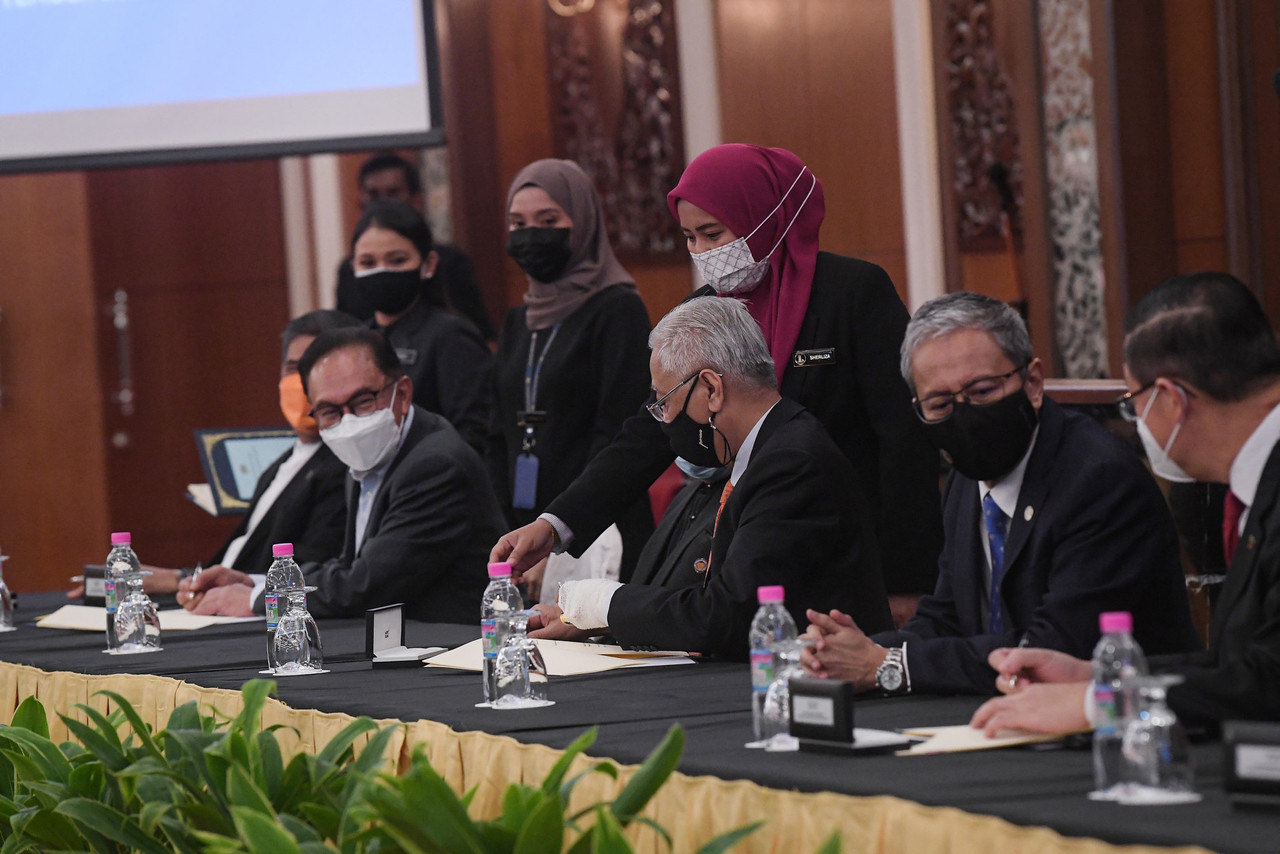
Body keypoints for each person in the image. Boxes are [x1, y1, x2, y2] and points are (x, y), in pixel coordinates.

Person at [491, 144, 944, 625]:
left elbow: (905, 444)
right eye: (689, 237)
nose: (703, 253)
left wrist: (906, 580)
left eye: (713, 233)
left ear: (764, 217)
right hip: (747, 548)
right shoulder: (705, 310)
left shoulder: (853, 293)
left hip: (851, 550)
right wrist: (554, 525)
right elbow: (648, 432)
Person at [801, 292, 1199, 695]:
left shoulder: (1099, 480)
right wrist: (854, 653)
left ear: (1033, 383)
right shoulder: (966, 479)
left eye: (983, 391)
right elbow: (946, 616)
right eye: (940, 404)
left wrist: (890, 666)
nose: (965, 415)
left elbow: (1054, 649)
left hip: (1120, 724)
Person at [972, 272, 1280, 733]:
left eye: (1133, 401)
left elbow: (1269, 686)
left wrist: (1104, 704)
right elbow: (1238, 663)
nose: (1135, 420)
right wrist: (1100, 677)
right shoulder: (1256, 483)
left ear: (1172, 399)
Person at [525, 297, 891, 658]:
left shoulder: (791, 464)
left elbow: (727, 614)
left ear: (712, 389)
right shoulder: (775, 447)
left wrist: (601, 603)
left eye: (664, 403)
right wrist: (592, 620)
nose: (663, 420)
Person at [180, 328, 505, 622]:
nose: (348, 423)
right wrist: (256, 582)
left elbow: (367, 586)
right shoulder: (367, 459)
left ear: (402, 394)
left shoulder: (435, 465)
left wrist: (257, 600)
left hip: (458, 649)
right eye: (330, 411)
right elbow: (350, 568)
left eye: (362, 401)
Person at [71, 310, 357, 599]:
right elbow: (239, 561)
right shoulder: (285, 461)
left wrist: (179, 581)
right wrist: (179, 579)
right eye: (292, 368)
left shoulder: (347, 465)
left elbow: (304, 572)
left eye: (314, 366)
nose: (301, 381)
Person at [492, 159, 654, 588]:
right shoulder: (517, 321)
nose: (530, 235)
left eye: (548, 221)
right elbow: (499, 430)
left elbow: (617, 433)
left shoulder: (618, 309)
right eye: (517, 223)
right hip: (524, 525)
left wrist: (559, 537)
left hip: (599, 528)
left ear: (582, 223)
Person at [350, 199, 494, 453]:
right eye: (368, 263)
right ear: (353, 267)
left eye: (397, 260)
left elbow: (474, 434)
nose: (382, 272)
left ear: (428, 264)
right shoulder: (356, 341)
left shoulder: (451, 335)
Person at [335, 151, 494, 340]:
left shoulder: (451, 263)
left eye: (398, 260)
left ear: (416, 200)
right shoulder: (348, 270)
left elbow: (484, 335)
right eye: (373, 194)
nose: (383, 203)